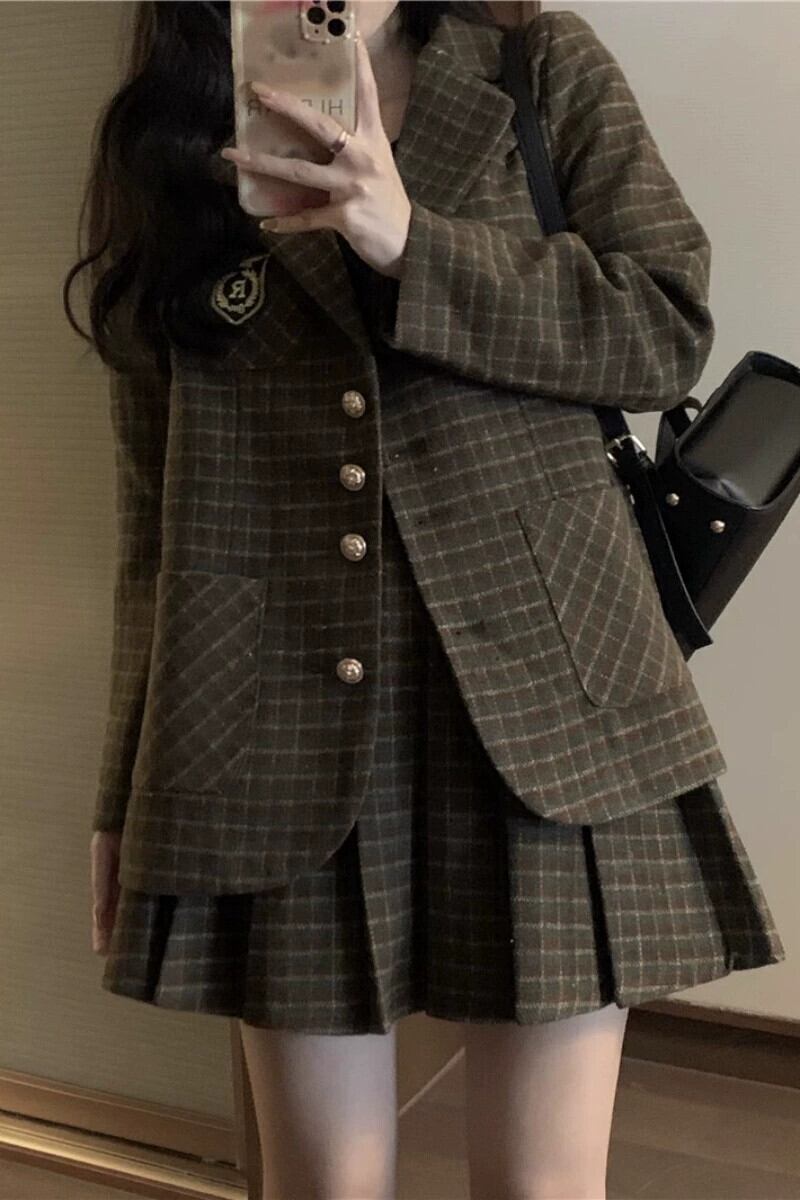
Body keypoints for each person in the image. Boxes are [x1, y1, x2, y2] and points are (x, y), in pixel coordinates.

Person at [67, 3, 785, 1197]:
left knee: (539, 1187)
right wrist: (124, 782)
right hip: (269, 717)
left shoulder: (537, 67)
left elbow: (661, 331)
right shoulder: (169, 130)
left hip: (545, 691)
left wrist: (410, 242)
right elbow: (153, 513)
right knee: (322, 1184)